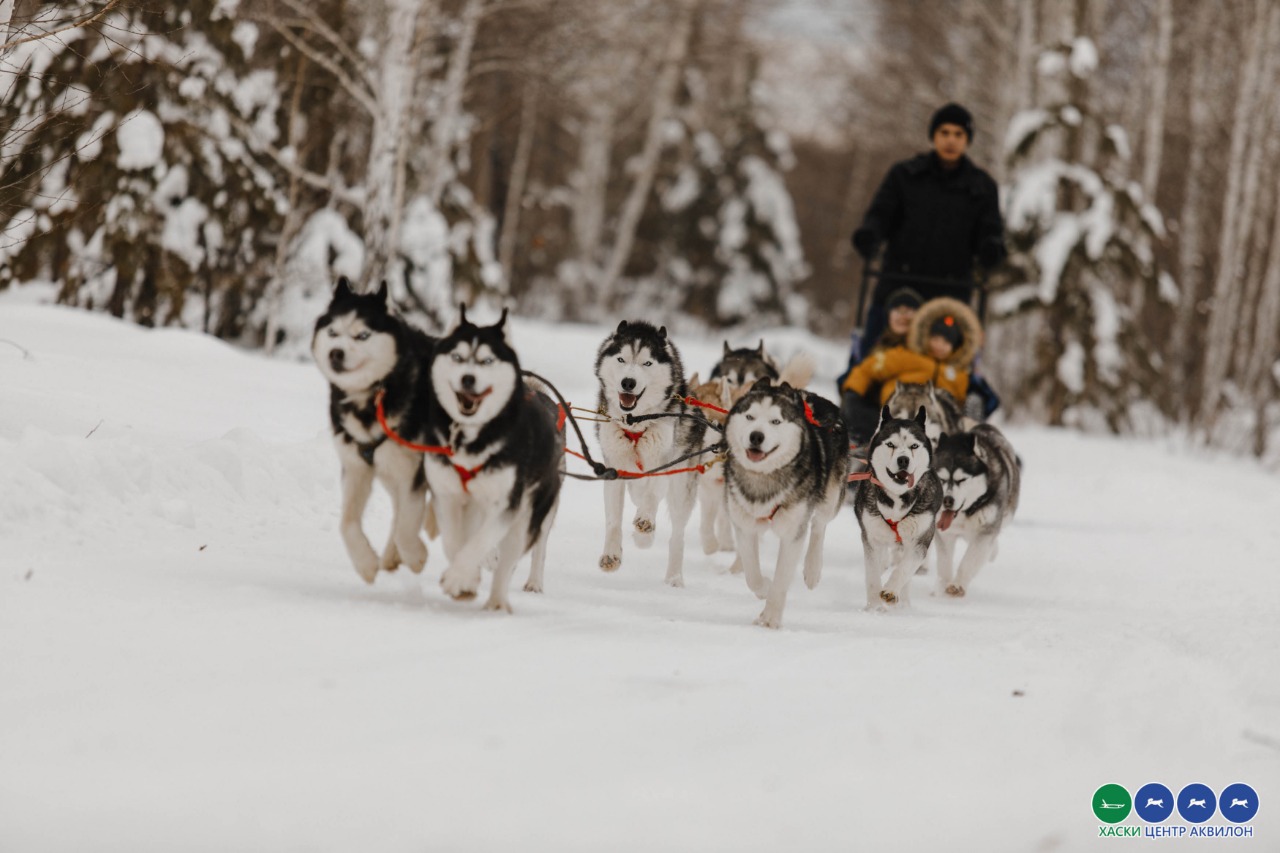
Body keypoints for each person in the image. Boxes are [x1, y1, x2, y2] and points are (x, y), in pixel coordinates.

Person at [850, 102, 1006, 362]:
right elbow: (880, 215)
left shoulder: (982, 187)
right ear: (933, 135)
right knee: (872, 362)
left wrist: (992, 248)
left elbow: (991, 231)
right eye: (944, 133)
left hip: (950, 295)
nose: (950, 141)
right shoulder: (904, 175)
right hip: (897, 288)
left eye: (958, 134)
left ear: (967, 140)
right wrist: (870, 235)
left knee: (947, 371)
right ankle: (858, 400)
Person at [841, 297, 982, 445]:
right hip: (897, 410)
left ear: (956, 346)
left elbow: (961, 401)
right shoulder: (909, 356)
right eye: (935, 339)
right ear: (926, 337)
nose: (939, 345)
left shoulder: (959, 375)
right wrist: (853, 393)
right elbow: (869, 368)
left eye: (946, 342)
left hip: (934, 423)